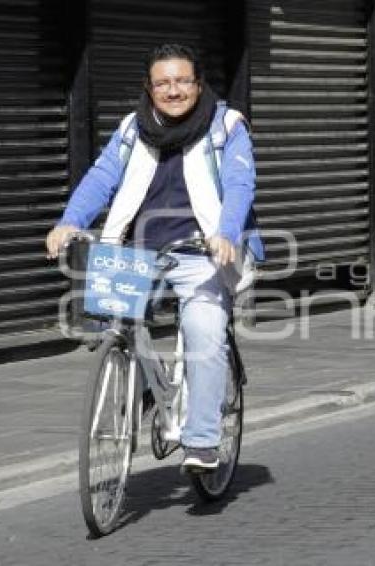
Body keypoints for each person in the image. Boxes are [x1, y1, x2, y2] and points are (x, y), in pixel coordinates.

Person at [45, 43, 263, 472]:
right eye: (163, 83)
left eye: (182, 81)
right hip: (136, 250)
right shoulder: (133, 128)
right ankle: (142, 386)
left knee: (204, 330)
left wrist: (226, 233)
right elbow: (102, 177)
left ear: (198, 85)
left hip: (201, 251)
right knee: (113, 324)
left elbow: (240, 183)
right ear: (150, 87)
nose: (174, 90)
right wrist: (69, 221)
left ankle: (201, 441)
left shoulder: (226, 126)